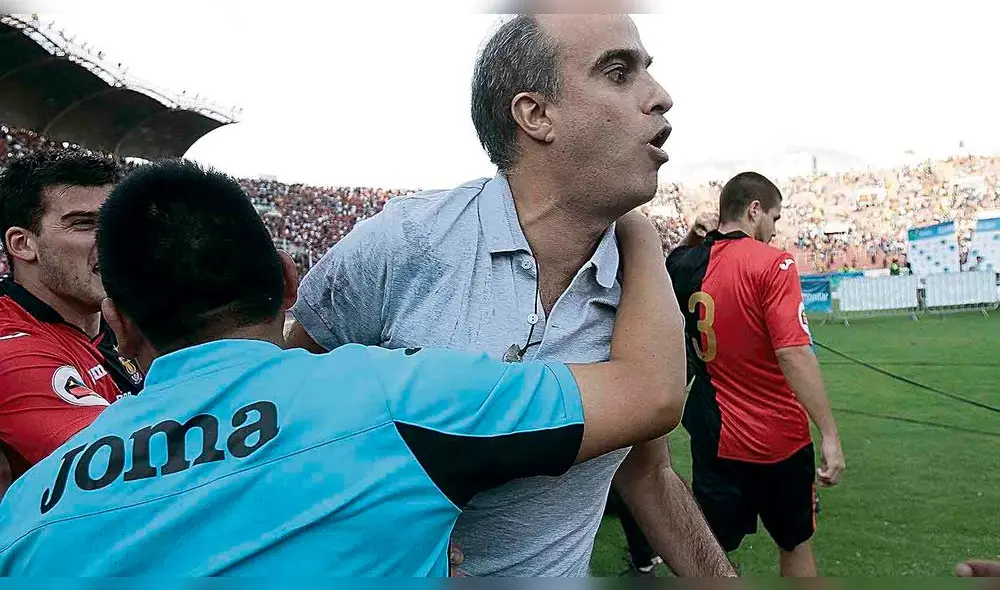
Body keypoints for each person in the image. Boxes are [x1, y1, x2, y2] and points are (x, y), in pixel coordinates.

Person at [0, 160, 686, 576]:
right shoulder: (392, 398)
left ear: (118, 323)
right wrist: (641, 236)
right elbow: (650, 392)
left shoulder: (27, 512)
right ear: (290, 280)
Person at [285, 13, 734, 577]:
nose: (661, 97)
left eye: (647, 71)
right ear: (536, 114)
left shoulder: (638, 282)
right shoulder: (404, 243)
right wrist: (370, 517)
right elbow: (286, 407)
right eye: (619, 73)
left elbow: (647, 472)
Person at [665, 172, 846, 577]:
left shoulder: (686, 262)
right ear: (754, 210)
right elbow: (794, 354)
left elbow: (674, 264)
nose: (774, 229)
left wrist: (695, 237)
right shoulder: (774, 262)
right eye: (775, 218)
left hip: (713, 436)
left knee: (709, 554)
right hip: (779, 439)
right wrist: (830, 434)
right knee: (794, 543)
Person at [0, 152, 144, 489]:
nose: (112, 242)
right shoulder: (12, 352)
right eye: (84, 224)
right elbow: (140, 465)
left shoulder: (125, 319)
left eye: (116, 224)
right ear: (23, 244)